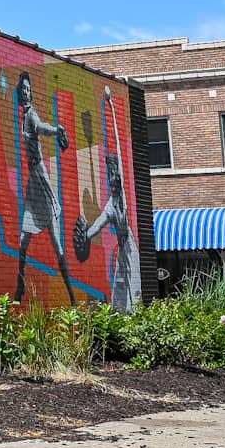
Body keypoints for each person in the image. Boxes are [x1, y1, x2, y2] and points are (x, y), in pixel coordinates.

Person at [73, 88, 143, 312]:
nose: (112, 179)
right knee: (119, 288)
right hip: (122, 248)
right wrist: (83, 236)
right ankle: (120, 319)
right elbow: (96, 227)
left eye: (114, 175)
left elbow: (120, 152)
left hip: (130, 245)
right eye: (110, 176)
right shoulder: (110, 206)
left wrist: (111, 108)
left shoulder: (121, 196)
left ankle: (135, 320)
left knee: (134, 288)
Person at [13, 72, 71, 304]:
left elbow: (41, 127)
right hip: (33, 182)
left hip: (40, 178)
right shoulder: (24, 115)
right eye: (23, 90)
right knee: (23, 239)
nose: (26, 92)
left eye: (28, 89)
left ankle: (71, 296)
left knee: (56, 242)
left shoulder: (31, 116)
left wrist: (56, 130)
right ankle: (20, 285)